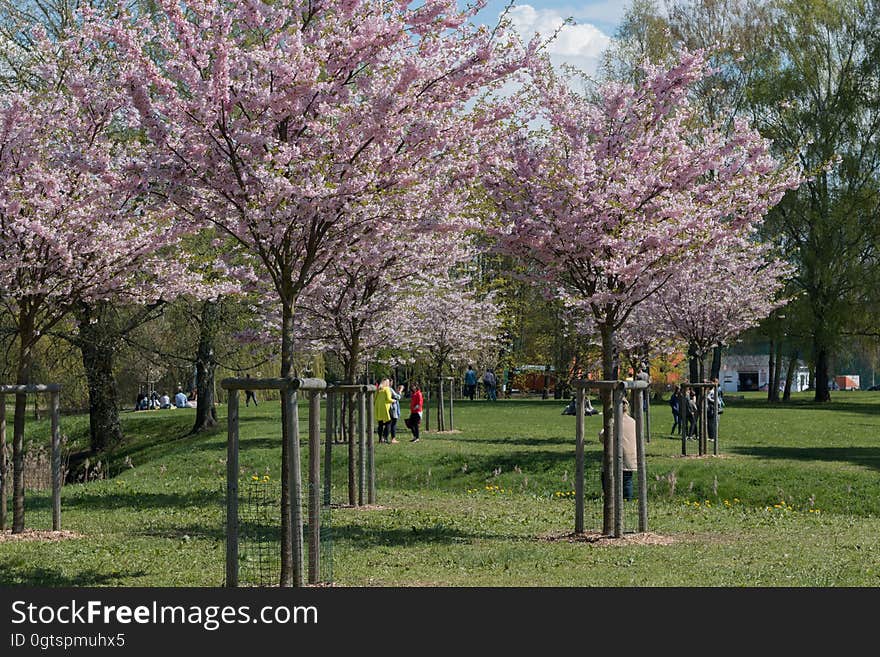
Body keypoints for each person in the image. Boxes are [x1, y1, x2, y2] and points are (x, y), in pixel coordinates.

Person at [598, 397, 637, 501]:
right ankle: (627, 500)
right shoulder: (633, 422)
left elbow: (603, 437)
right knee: (627, 481)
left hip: (614, 457)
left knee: (607, 479)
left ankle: (611, 499)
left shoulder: (613, 422)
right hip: (630, 458)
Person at [374, 378, 395, 444]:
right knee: (389, 423)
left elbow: (374, 398)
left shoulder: (378, 389)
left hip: (379, 408)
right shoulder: (387, 389)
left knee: (380, 424)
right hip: (386, 408)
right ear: (386, 383)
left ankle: (380, 439)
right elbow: (388, 399)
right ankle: (385, 438)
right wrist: (394, 400)